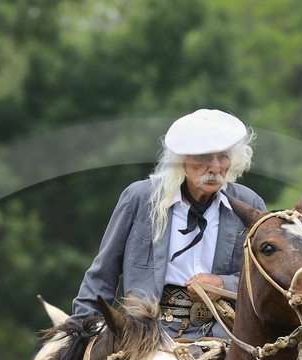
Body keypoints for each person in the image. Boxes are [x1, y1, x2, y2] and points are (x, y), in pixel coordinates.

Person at [72, 108, 266, 339]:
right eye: (204, 157)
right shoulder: (139, 198)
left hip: (222, 332)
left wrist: (222, 283)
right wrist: (82, 329)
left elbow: (263, 279)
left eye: (223, 157)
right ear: (181, 161)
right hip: (145, 335)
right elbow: (103, 273)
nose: (215, 167)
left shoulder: (248, 203)